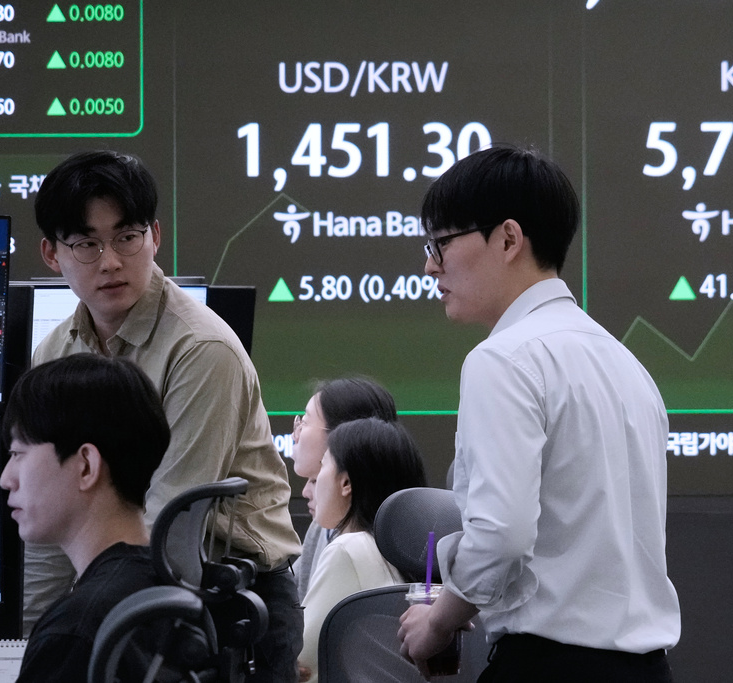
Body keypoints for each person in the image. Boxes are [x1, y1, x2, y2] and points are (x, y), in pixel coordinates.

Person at [397, 145, 681, 682]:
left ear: (508, 238)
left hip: (549, 667)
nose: (430, 263)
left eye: (441, 242)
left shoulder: (503, 359)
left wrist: (436, 623)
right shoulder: (626, 364)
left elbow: (501, 537)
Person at [28, 150, 303, 682]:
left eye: (127, 237)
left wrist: (78, 629)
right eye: (86, 243)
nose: (109, 260)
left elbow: (167, 528)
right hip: (117, 592)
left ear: (154, 235)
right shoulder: (54, 355)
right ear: (51, 253)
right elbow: (47, 518)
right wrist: (36, 639)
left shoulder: (201, 349)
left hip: (226, 603)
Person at [0, 354, 170, 681]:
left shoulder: (75, 632)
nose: (6, 479)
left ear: (86, 466)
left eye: (18, 453)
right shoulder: (162, 584)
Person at [299, 418, 428, 683]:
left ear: (346, 483)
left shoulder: (348, 550)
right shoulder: (414, 554)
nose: (307, 489)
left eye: (322, 466)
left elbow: (301, 662)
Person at [290, 377, 399, 602]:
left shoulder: (376, 543)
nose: (295, 435)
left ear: (345, 434)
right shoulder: (321, 526)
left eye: (305, 423)